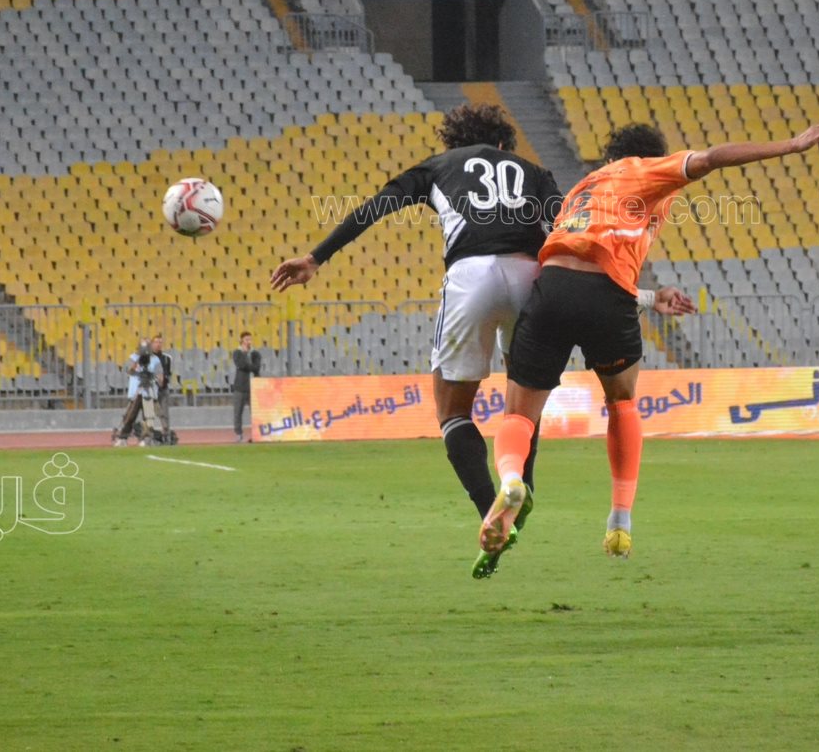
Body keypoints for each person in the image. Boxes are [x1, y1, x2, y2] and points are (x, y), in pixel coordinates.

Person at [273, 103, 692, 578]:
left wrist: (316, 258)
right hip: (531, 275)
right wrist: (645, 296)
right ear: (502, 143)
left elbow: (377, 205)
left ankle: (491, 508)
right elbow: (575, 234)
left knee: (453, 411)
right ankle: (522, 488)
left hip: (471, 274)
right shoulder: (534, 171)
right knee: (525, 400)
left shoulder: (439, 166)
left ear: (457, 141)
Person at [477, 119, 819, 565]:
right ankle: (620, 520)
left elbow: (573, 259)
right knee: (622, 402)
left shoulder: (581, 190)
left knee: (519, 414)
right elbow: (710, 158)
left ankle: (512, 480)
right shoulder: (644, 169)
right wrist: (790, 145)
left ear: (608, 156)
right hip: (607, 294)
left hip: (551, 286)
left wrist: (650, 298)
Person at [231, 331, 263, 442]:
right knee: (238, 412)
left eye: (250, 339)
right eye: (246, 340)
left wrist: (249, 365)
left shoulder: (255, 353)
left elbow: (257, 367)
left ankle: (256, 434)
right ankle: (239, 434)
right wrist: (246, 356)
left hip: (253, 387)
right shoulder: (237, 353)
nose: (249, 342)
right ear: (242, 341)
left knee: (255, 412)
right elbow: (241, 365)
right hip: (240, 387)